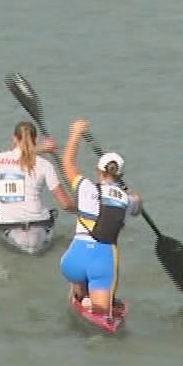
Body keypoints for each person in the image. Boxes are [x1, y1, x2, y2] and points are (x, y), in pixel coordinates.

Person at [58, 119, 141, 317]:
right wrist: (137, 197)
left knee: (79, 276)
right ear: (120, 175)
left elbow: (67, 162)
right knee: (103, 310)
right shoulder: (128, 200)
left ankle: (81, 294)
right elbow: (137, 208)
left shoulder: (85, 186)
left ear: (98, 171)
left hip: (72, 262)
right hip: (101, 264)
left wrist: (76, 132)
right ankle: (98, 306)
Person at [0, 122, 72, 250]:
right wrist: (78, 210)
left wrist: (42, 149)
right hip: (39, 223)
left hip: (9, 224)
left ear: (14, 138)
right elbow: (66, 205)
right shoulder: (45, 165)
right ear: (35, 139)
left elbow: (21, 155)